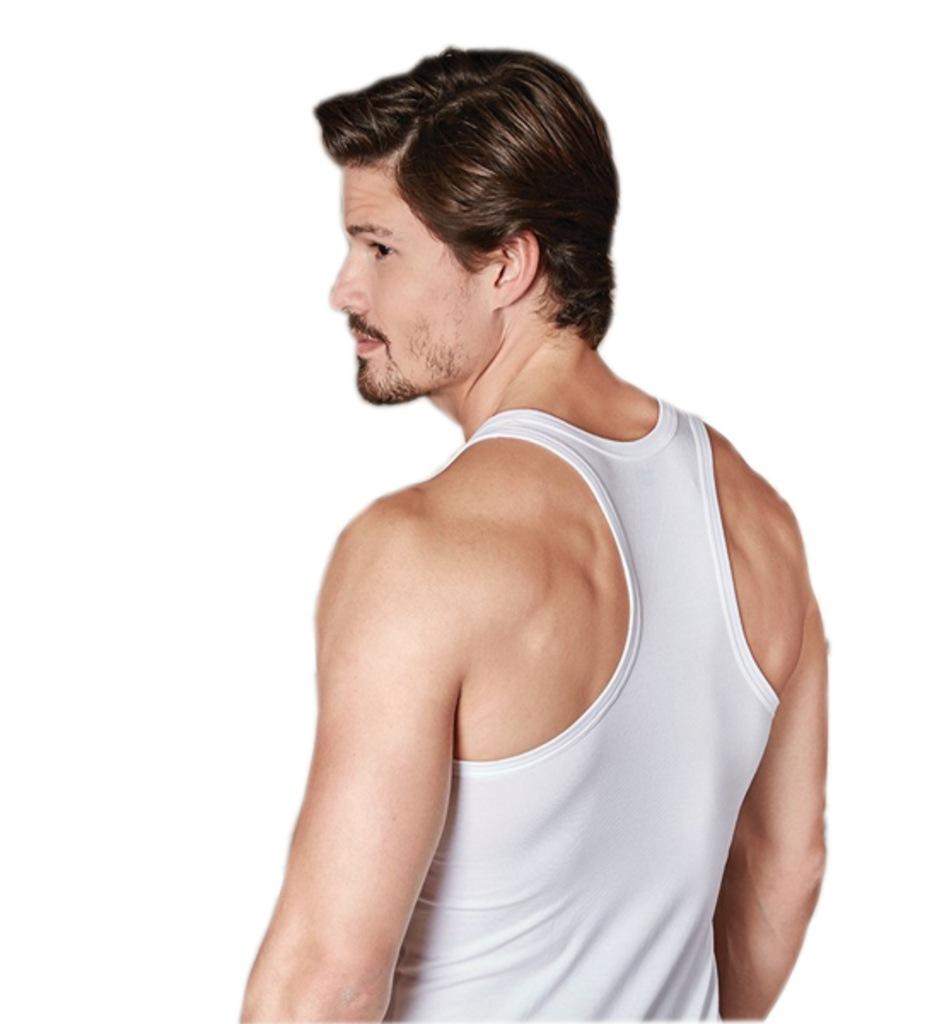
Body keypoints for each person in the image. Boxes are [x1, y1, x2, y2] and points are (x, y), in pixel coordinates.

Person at [240, 46, 828, 1023]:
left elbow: (329, 975)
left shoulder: (418, 551)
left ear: (507, 265)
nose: (345, 289)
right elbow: (785, 867)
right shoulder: (758, 518)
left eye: (380, 248)